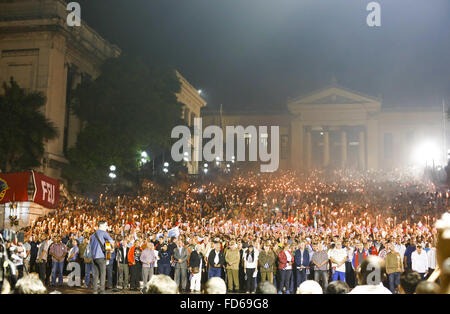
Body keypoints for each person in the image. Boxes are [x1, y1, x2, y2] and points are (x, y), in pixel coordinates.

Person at [90, 221, 114, 294]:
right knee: (103, 274)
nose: (106, 227)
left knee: (96, 274)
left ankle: (95, 290)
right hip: (101, 256)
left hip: (94, 257)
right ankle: (102, 290)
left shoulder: (93, 235)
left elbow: (90, 246)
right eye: (106, 225)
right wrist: (111, 249)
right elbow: (111, 241)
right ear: (102, 225)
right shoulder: (104, 233)